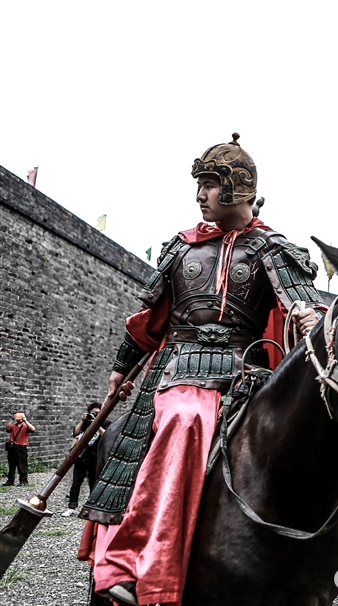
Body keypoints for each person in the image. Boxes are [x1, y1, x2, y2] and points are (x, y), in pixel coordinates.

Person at [79, 134, 324, 606]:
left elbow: (300, 303)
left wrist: (308, 315)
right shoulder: (181, 248)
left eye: (209, 185)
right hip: (174, 372)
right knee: (183, 416)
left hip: (247, 371)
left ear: (237, 187)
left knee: (305, 426)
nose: (200, 195)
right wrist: (120, 369)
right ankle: (136, 562)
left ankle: (325, 541)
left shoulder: (271, 248)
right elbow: (148, 321)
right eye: (199, 186)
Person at [62, 403, 111, 516]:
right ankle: (72, 507)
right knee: (76, 483)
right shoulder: (85, 423)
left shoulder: (106, 423)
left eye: (97, 413)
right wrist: (82, 420)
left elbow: (106, 435)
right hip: (81, 457)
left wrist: (96, 424)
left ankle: (92, 507)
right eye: (93, 413)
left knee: (94, 483)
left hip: (95, 457)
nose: (95, 415)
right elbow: (75, 433)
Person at [4, 412, 36, 486]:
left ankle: (23, 480)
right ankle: (10, 480)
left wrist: (25, 421)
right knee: (11, 465)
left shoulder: (26, 426)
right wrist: (12, 420)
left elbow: (33, 429)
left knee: (22, 464)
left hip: (21, 447)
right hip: (13, 447)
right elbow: (6, 428)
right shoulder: (13, 426)